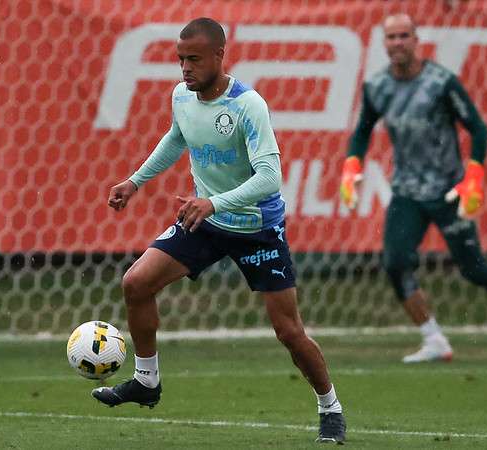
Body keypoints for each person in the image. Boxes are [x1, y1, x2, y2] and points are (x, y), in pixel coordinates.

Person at [93, 17, 346, 444]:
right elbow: (177, 137)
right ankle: (146, 381)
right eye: (180, 59)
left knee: (288, 331)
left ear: (219, 56)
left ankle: (330, 408)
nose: (185, 68)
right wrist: (135, 181)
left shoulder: (248, 105)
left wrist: (214, 201)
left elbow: (270, 178)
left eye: (193, 59)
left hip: (257, 228)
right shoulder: (181, 97)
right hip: (205, 222)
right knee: (136, 283)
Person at [339, 13, 487, 363]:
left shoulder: (441, 83)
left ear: (416, 39)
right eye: (391, 37)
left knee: (473, 268)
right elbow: (363, 130)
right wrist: (352, 165)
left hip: (448, 190)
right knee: (395, 262)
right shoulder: (377, 86)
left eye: (403, 36)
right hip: (407, 191)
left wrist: (473, 176)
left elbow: (478, 129)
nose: (397, 43)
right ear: (385, 43)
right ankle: (434, 339)